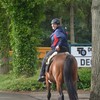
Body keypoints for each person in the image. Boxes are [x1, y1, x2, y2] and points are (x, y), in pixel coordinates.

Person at [38, 18, 70, 82]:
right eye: (52, 24)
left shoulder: (58, 31)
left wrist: (59, 45)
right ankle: (76, 76)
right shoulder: (62, 30)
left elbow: (62, 38)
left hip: (58, 49)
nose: (52, 25)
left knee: (45, 59)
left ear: (57, 25)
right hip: (66, 49)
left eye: (54, 24)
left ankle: (42, 75)